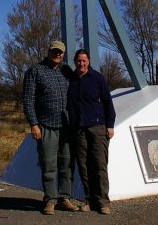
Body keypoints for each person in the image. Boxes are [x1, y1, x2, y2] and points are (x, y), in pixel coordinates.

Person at [23, 40, 77, 215]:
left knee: (67, 164)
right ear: (48, 51)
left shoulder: (66, 71)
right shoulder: (35, 71)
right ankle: (50, 200)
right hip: (46, 125)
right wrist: (34, 124)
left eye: (60, 52)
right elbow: (28, 100)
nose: (57, 54)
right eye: (54, 51)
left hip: (66, 126)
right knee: (48, 164)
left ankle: (65, 198)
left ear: (63, 54)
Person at [67, 48, 116, 215]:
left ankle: (102, 202)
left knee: (99, 164)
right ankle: (89, 200)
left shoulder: (97, 78)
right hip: (78, 128)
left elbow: (108, 103)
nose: (81, 63)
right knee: (83, 165)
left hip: (97, 127)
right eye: (78, 61)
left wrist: (110, 125)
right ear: (75, 62)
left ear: (88, 61)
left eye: (84, 60)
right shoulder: (71, 79)